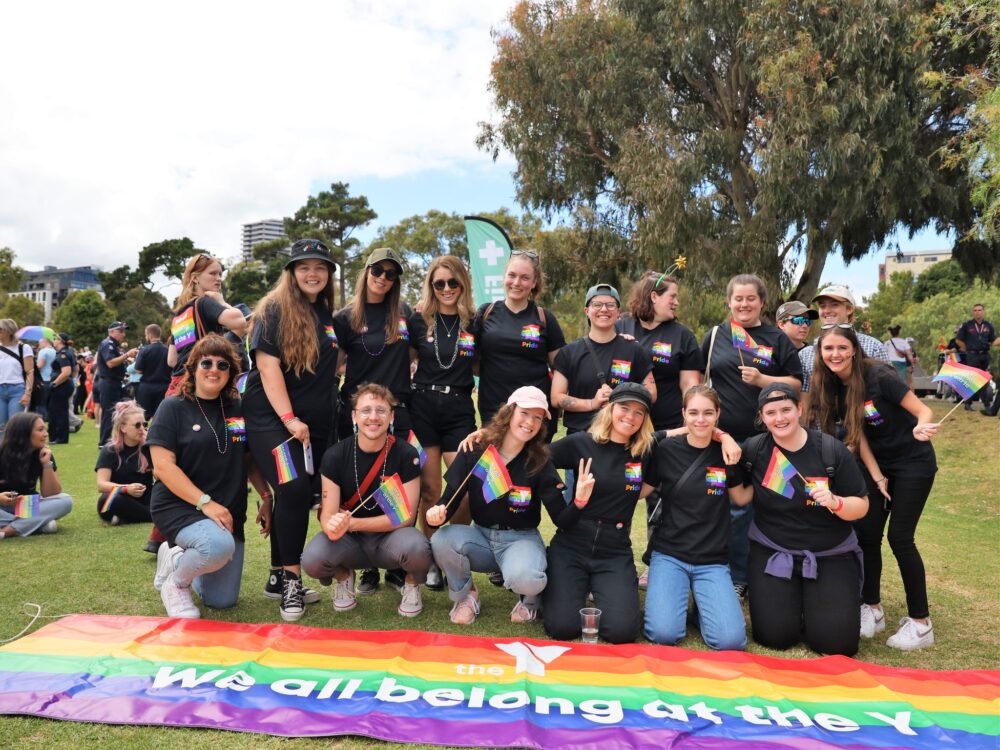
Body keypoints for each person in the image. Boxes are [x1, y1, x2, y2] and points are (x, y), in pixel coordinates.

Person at [809, 325, 940, 650]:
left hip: (913, 462)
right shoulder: (833, 386)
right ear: (821, 354)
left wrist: (923, 426)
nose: (835, 354)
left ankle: (922, 624)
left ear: (854, 348)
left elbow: (922, 410)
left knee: (900, 538)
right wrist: (877, 476)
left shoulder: (880, 377)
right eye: (828, 349)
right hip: (878, 465)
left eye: (841, 348)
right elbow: (860, 436)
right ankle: (872, 607)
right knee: (866, 534)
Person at [243, 239, 339, 621]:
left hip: (311, 424)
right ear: (292, 273)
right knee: (295, 487)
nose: (312, 273)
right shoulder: (272, 311)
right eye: (304, 267)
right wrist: (289, 420)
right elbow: (267, 369)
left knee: (295, 493)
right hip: (274, 420)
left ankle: (275, 577)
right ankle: (291, 583)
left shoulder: (326, 313)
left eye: (320, 267)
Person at [734, 383, 868, 656]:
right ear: (762, 416)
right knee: (774, 637)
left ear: (800, 409)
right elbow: (741, 497)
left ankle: (817, 607)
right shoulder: (755, 449)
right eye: (771, 413)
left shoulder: (831, 450)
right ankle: (800, 606)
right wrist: (724, 442)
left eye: (786, 410)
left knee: (836, 645)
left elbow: (862, 506)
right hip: (774, 552)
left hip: (830, 554)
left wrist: (836, 502)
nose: (779, 418)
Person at [148, 334, 269, 619]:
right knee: (216, 546)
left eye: (223, 365)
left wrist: (266, 496)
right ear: (192, 368)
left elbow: (249, 461)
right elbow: (163, 467)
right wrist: (205, 502)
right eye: (206, 363)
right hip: (181, 505)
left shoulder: (238, 409)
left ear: (231, 373)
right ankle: (175, 584)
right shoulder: (172, 407)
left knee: (222, 600)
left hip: (227, 512)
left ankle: (177, 556)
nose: (214, 369)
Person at [701, 274, 803, 600]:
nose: (744, 304)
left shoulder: (777, 337)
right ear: (729, 302)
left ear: (762, 301)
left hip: (764, 439)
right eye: (738, 299)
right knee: (723, 506)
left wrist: (762, 380)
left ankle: (754, 575)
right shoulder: (717, 335)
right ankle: (722, 573)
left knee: (761, 507)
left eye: (751, 299)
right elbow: (698, 383)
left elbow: (797, 385)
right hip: (720, 438)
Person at [427, 386, 563, 625]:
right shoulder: (477, 448)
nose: (530, 422)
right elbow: (450, 497)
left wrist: (580, 499)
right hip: (481, 537)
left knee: (526, 577)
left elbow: (560, 516)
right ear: (510, 413)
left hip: (521, 539)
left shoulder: (540, 460)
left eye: (537, 417)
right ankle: (467, 597)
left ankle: (529, 600)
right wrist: (437, 512)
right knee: (442, 539)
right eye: (525, 413)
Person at [301, 384, 431, 618]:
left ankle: (412, 584)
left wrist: (352, 524)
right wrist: (331, 526)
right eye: (366, 410)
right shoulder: (335, 455)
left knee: (418, 547)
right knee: (312, 559)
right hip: (351, 542)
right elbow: (328, 515)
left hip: (392, 538)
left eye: (381, 411)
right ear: (354, 416)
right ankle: (344, 577)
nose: (373, 417)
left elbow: (406, 517)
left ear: (391, 416)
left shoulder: (406, 454)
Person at [543, 383, 658, 644]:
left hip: (614, 550)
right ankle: (566, 589)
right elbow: (539, 457)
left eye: (639, 413)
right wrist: (559, 493)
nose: (630, 417)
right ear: (610, 408)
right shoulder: (582, 442)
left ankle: (598, 588)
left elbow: (670, 441)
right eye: (625, 408)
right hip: (572, 543)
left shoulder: (645, 451)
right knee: (561, 628)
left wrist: (724, 435)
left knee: (621, 632)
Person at [332, 247, 415, 595]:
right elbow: (332, 363)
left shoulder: (406, 314)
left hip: (398, 411)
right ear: (365, 271)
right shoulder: (345, 317)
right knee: (358, 486)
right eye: (377, 270)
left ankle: (395, 566)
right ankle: (364, 567)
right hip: (358, 413)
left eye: (390, 273)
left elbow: (416, 353)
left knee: (396, 487)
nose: (383, 277)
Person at [644, 385, 747, 651]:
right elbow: (642, 489)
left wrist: (772, 481)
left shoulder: (728, 453)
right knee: (663, 634)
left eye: (707, 413)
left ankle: (702, 608)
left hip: (712, 560)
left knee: (730, 640)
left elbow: (741, 498)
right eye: (693, 413)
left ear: (717, 414)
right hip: (670, 554)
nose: (700, 419)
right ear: (683, 414)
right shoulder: (665, 449)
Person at [407, 255, 478, 590]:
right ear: (431, 287)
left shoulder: (476, 322)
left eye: (453, 282)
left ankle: (453, 551)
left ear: (463, 283)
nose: (447, 289)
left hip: (460, 408)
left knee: (463, 491)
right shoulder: (419, 319)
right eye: (439, 283)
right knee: (431, 490)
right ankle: (433, 558)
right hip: (422, 405)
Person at [475, 250, 566, 432]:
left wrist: (616, 335)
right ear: (504, 277)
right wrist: (428, 309)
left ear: (534, 283)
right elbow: (466, 353)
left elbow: (563, 367)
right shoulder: (485, 313)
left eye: (525, 278)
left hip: (534, 415)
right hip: (494, 412)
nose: (516, 283)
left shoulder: (544, 318)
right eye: (512, 275)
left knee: (535, 461)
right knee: (496, 461)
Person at [618, 270, 703, 430]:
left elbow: (689, 385)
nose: (677, 302)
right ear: (654, 297)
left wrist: (690, 419)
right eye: (672, 296)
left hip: (669, 426)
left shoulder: (683, 336)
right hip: (625, 425)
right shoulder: (621, 327)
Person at [165, 254, 248, 396]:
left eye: (220, 274)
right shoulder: (204, 303)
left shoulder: (180, 314)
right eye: (212, 273)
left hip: (178, 386)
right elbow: (240, 322)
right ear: (195, 277)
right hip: (201, 385)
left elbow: (172, 360)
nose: (219, 278)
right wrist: (221, 301)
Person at [798, 285, 889, 395]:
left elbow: (888, 391)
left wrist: (871, 412)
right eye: (822, 306)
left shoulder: (874, 347)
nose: (827, 310)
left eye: (834, 305)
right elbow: (806, 395)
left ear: (849, 309)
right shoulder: (805, 354)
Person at [0, 412, 73, 539]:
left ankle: (7, 531)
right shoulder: (2, 453)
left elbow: (52, 493)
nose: (46, 434)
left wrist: (46, 464)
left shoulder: (43, 454)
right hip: (2, 508)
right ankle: (38, 524)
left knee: (66, 501)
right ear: (24, 433)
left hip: (26, 507)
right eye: (40, 430)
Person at [95, 400, 152, 526]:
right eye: (137, 425)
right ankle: (152, 516)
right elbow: (101, 485)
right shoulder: (110, 450)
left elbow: (161, 476)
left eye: (145, 424)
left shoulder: (149, 447)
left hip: (146, 497)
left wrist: (149, 448)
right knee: (107, 499)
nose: (142, 429)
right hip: (122, 497)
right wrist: (126, 489)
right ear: (123, 427)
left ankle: (127, 517)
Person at [95, 322, 138, 446]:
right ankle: (104, 442)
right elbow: (110, 363)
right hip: (109, 382)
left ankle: (116, 439)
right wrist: (127, 355)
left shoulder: (115, 345)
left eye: (124, 331)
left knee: (121, 411)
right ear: (112, 332)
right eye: (120, 331)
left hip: (116, 381)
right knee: (109, 412)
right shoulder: (107, 344)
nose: (123, 334)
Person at [956, 303, 997, 409]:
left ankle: (986, 404)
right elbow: (958, 340)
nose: (977, 312)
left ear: (983, 312)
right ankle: (969, 403)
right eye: (975, 310)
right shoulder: (967, 325)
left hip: (984, 355)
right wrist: (968, 349)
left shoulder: (988, 325)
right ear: (973, 312)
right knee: (972, 379)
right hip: (972, 355)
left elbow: (993, 340)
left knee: (983, 379)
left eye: (979, 310)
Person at [0, 319, 34, 436]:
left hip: (17, 390)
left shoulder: (23, 348)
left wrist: (28, 393)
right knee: (1, 428)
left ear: (8, 331)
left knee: (16, 427)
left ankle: (17, 453)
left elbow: (30, 372)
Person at [133, 324, 171, 420]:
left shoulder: (145, 350)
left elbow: (138, 369)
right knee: (161, 416)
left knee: (143, 416)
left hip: (147, 386)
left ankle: (143, 434)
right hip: (164, 387)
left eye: (146, 335)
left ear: (150, 335)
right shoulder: (167, 350)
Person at [47, 334, 76, 445]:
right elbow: (75, 369)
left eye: (56, 339)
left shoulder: (63, 354)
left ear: (60, 341)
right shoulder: (66, 352)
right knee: (56, 410)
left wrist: (54, 384)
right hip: (64, 384)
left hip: (61, 385)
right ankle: (55, 437)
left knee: (59, 411)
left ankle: (60, 438)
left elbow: (66, 372)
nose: (54, 341)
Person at [33, 336, 55, 419]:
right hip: (53, 379)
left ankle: (42, 419)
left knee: (42, 403)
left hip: (43, 379)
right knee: (50, 402)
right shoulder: (54, 351)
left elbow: (39, 366)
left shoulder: (43, 352)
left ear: (45, 342)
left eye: (39, 344)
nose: (38, 346)